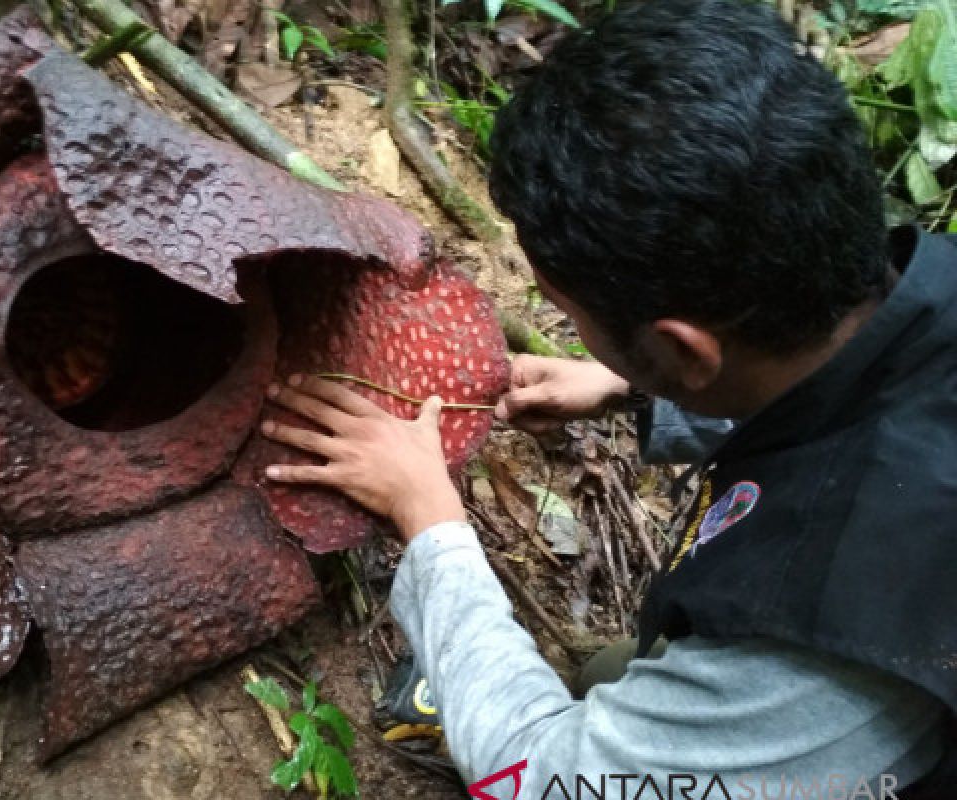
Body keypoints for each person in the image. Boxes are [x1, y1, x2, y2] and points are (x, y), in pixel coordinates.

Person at [259, 0, 957, 795]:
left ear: (683, 347)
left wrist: (430, 520)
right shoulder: (906, 285)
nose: (566, 327)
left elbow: (550, 780)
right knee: (615, 670)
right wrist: (635, 386)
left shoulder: (824, 633)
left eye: (570, 315)